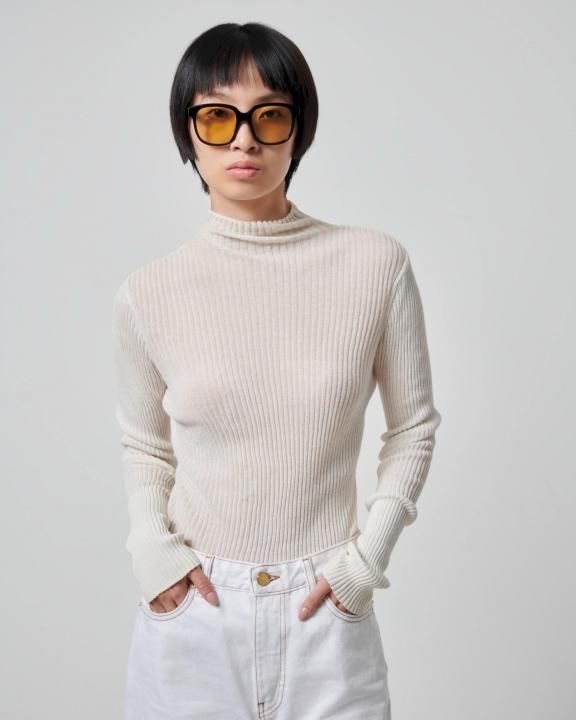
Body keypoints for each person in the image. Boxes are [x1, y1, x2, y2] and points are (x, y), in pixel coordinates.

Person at [113, 21, 442, 720]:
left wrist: (366, 562)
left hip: (325, 606)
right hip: (196, 610)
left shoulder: (375, 266)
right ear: (188, 133)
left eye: (269, 116)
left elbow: (413, 427)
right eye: (217, 117)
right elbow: (144, 446)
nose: (244, 140)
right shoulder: (149, 292)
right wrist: (153, 554)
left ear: (298, 131)